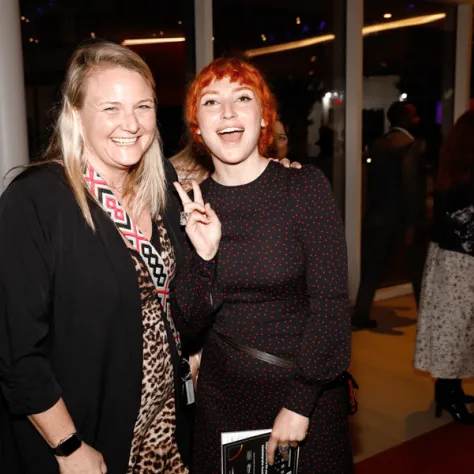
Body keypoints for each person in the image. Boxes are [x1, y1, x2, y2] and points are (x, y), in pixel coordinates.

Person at [0, 41, 222, 474]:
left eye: (143, 106)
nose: (131, 124)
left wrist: (271, 173)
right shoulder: (36, 202)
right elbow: (16, 352)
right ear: (76, 115)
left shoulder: (164, 190)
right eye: (111, 108)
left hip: (166, 431)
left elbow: (176, 300)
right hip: (88, 441)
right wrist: (68, 447)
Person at [173, 57, 353, 473]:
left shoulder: (304, 188)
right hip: (225, 401)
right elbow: (186, 322)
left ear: (264, 116)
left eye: (243, 98)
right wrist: (204, 257)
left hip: (303, 394)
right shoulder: (188, 204)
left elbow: (330, 302)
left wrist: (300, 401)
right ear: (197, 125)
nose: (229, 112)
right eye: (211, 102)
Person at [414, 110, 474, 424]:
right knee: (456, 330)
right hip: (460, 264)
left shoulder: (452, 173)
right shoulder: (463, 180)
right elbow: (467, 228)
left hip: (450, 261)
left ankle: (450, 390)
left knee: (457, 330)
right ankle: (448, 394)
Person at [352, 101, 427, 329]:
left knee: (372, 269)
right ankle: (428, 320)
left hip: (377, 215)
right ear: (404, 118)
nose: (417, 118)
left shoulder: (378, 144)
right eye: (413, 114)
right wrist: (414, 224)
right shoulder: (409, 146)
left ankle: (360, 315)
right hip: (401, 219)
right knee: (417, 269)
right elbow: (411, 186)